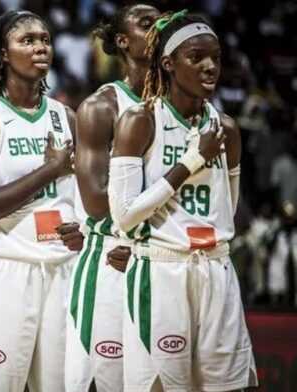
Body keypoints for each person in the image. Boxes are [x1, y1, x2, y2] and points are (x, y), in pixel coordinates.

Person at [108, 10, 258, 391]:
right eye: (197, 58)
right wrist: (192, 161)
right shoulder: (140, 121)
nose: (210, 67)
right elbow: (124, 216)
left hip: (216, 270)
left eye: (216, 58)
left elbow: (228, 208)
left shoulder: (226, 128)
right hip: (162, 271)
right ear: (169, 63)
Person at [0, 10, 77, 391]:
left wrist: (83, 229)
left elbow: (77, 194)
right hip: (2, 270)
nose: (40, 47)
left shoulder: (66, 116)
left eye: (44, 39)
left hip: (60, 269)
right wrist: (48, 171)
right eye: (27, 40)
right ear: (3, 54)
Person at [65, 4, 160, 392]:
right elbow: (97, 202)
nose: (158, 30)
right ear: (123, 41)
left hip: (164, 259)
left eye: (162, 23)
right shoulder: (102, 107)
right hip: (110, 257)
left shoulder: (186, 109)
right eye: (146, 24)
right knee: (100, 383)